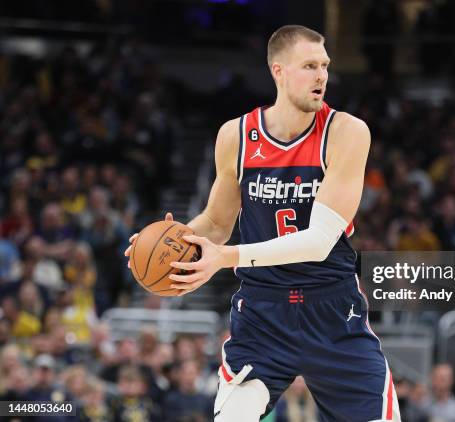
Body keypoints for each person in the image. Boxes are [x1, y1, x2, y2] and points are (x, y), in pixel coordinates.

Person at [125, 24, 401, 422]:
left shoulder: (346, 132)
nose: (321, 75)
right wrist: (173, 241)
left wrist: (224, 257)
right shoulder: (235, 136)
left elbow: (319, 240)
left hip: (332, 307)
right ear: (279, 71)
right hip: (263, 312)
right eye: (309, 65)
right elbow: (217, 223)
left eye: (324, 65)